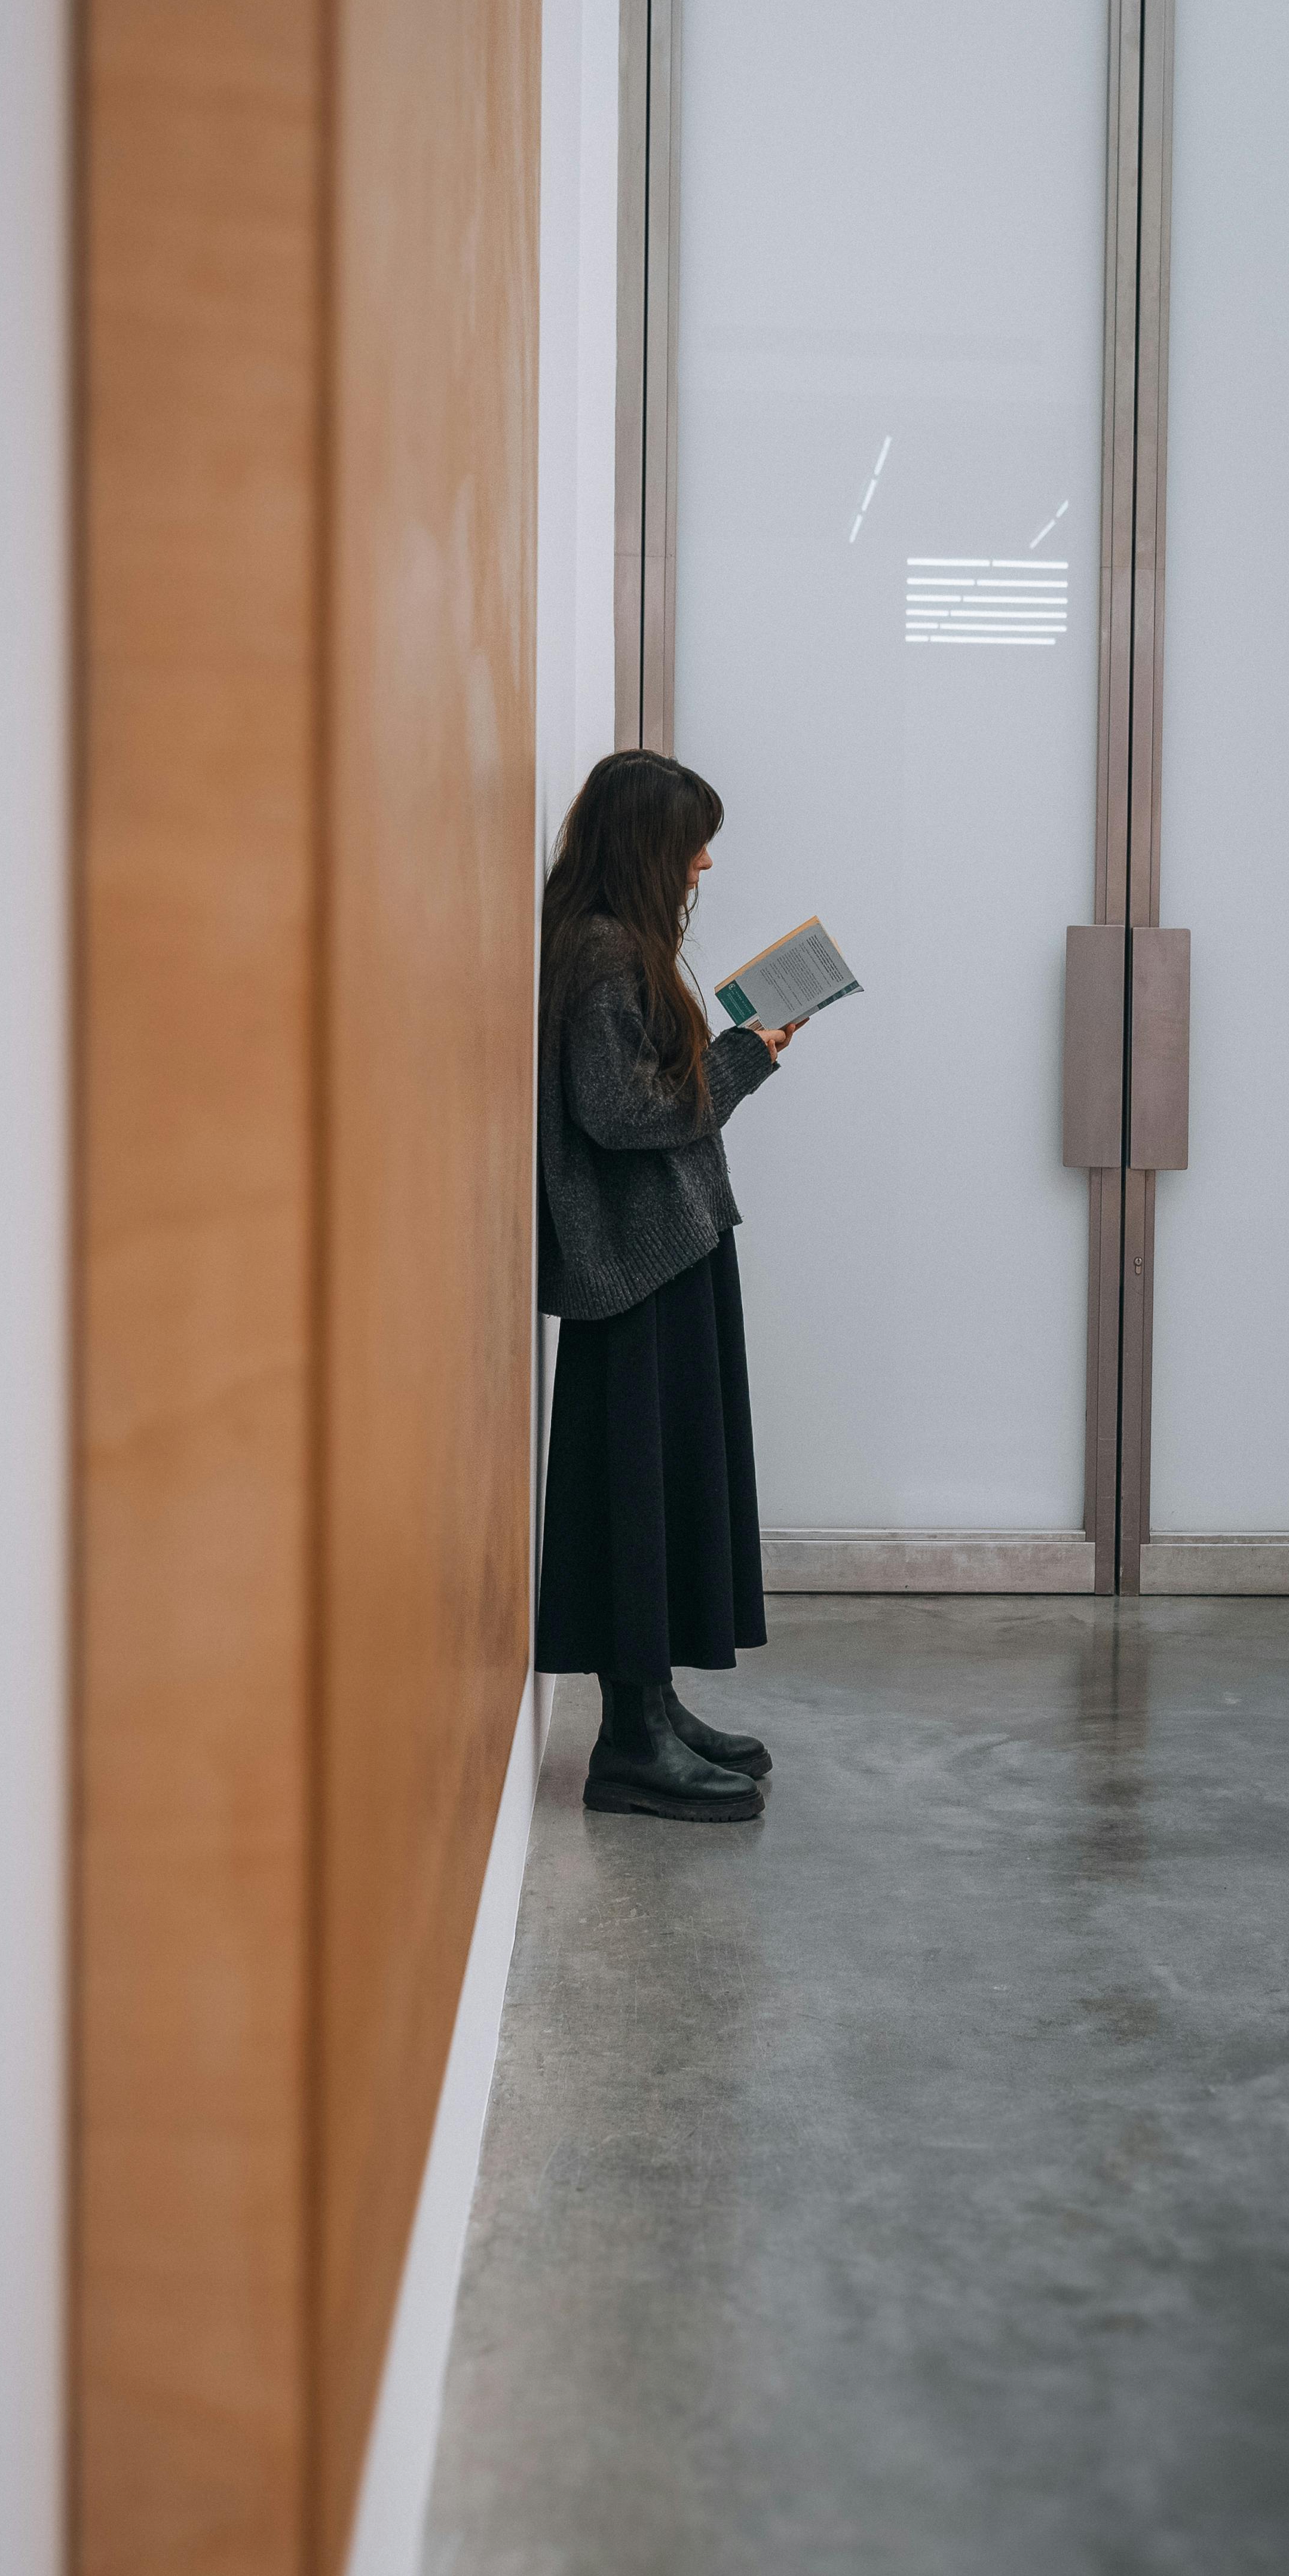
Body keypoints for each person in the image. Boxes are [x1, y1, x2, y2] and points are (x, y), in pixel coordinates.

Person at [535, 748, 803, 1820]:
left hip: (665, 1251)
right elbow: (622, 1113)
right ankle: (630, 1742)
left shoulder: (610, 943)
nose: (703, 862)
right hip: (637, 1267)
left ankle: (651, 1707)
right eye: (691, 841)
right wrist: (740, 1062)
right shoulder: (602, 954)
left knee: (661, 1488)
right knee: (635, 1498)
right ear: (646, 846)